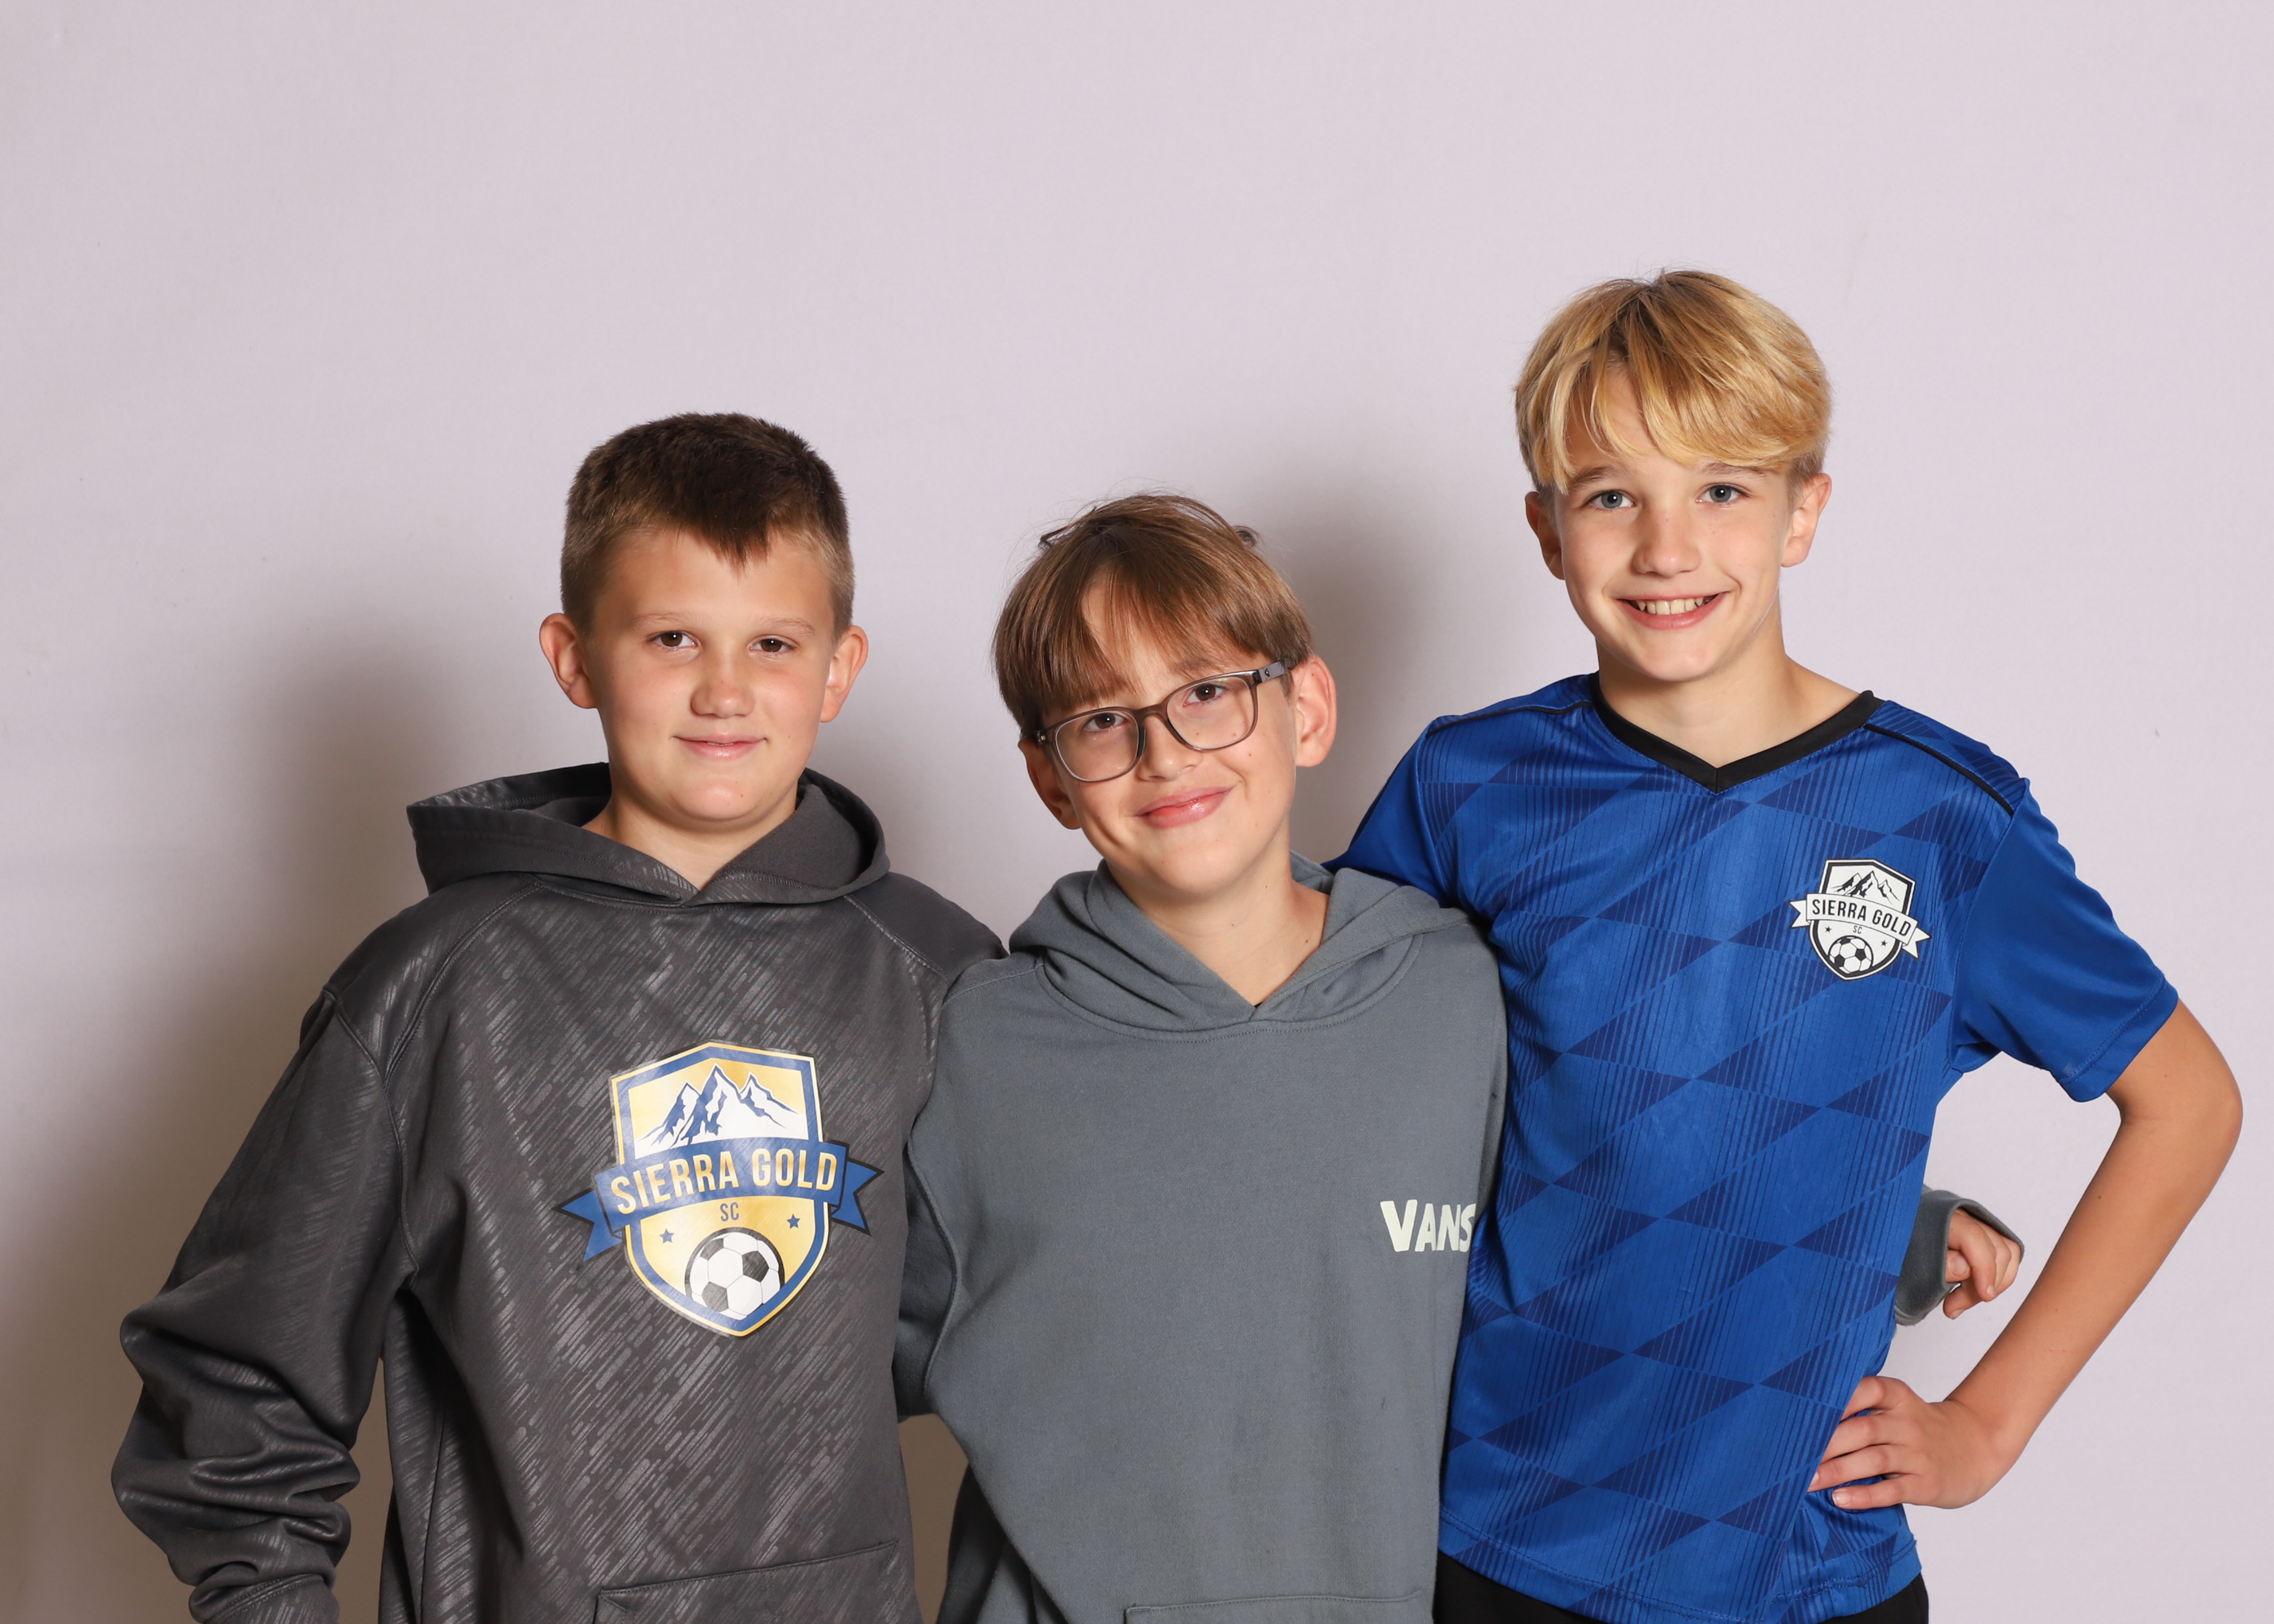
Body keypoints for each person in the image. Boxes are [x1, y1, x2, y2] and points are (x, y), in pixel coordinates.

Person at [896, 495, 2017, 1624]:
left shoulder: (1456, 993)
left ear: (1307, 708)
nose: (1165, 754)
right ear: (1049, 776)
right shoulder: (967, 1043)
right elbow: (836, 1347)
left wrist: (1892, 1228)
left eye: (1208, 694)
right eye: (1102, 720)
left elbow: (1605, 1160)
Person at [1336, 272, 2244, 1624]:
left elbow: (2190, 1104)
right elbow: (1350, 1104)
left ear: (1802, 511)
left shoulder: (1943, 819)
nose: (1667, 547)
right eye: (1611, 496)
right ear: (1546, 531)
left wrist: (1988, 1423)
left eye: (1722, 490)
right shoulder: (1473, 787)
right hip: (1501, 1539)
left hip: (1803, 1573)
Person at [112, 414, 996, 1624]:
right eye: (672, 637)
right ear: (574, 659)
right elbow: (236, 1376)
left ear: (839, 669)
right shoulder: (433, 988)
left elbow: (1002, 1329)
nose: (725, 689)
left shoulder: (935, 971)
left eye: (773, 643)